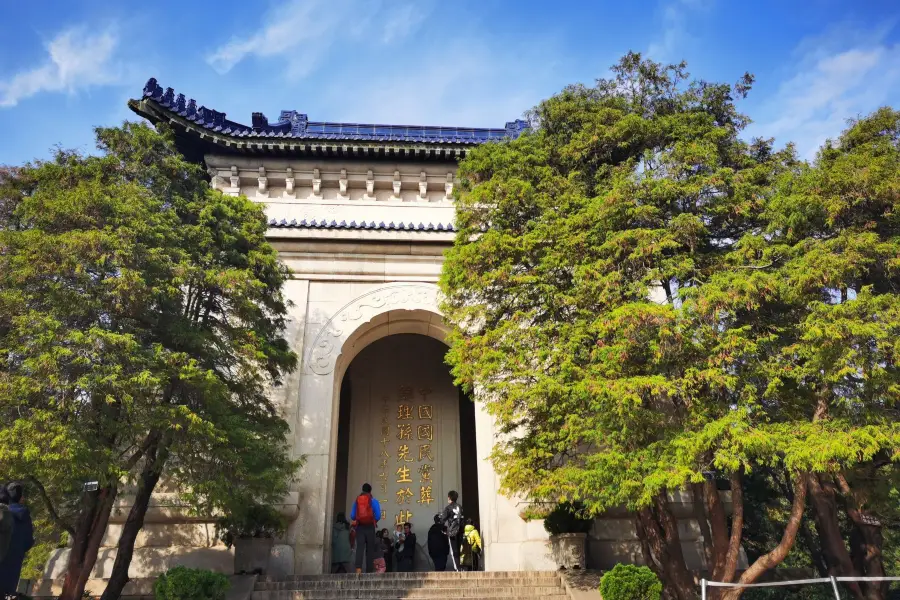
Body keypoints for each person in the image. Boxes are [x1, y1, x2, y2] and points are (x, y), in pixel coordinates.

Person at [0, 482, 34, 597]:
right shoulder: (25, 516)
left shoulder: (3, 513)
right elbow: (28, 542)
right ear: (19, 497)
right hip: (12, 570)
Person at [349, 483, 381, 574]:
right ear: (370, 491)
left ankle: (358, 569)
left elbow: (352, 515)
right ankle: (369, 570)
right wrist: (372, 520)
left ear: (362, 490)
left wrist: (359, 519)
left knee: (360, 547)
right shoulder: (373, 501)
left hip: (360, 528)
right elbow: (378, 515)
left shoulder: (357, 501)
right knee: (370, 549)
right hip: (370, 527)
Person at [440, 490, 463, 572]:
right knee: (460, 549)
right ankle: (461, 567)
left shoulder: (448, 508)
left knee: (454, 551)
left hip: (452, 532)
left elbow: (442, 520)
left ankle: (457, 568)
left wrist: (444, 529)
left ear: (449, 498)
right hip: (460, 530)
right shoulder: (460, 507)